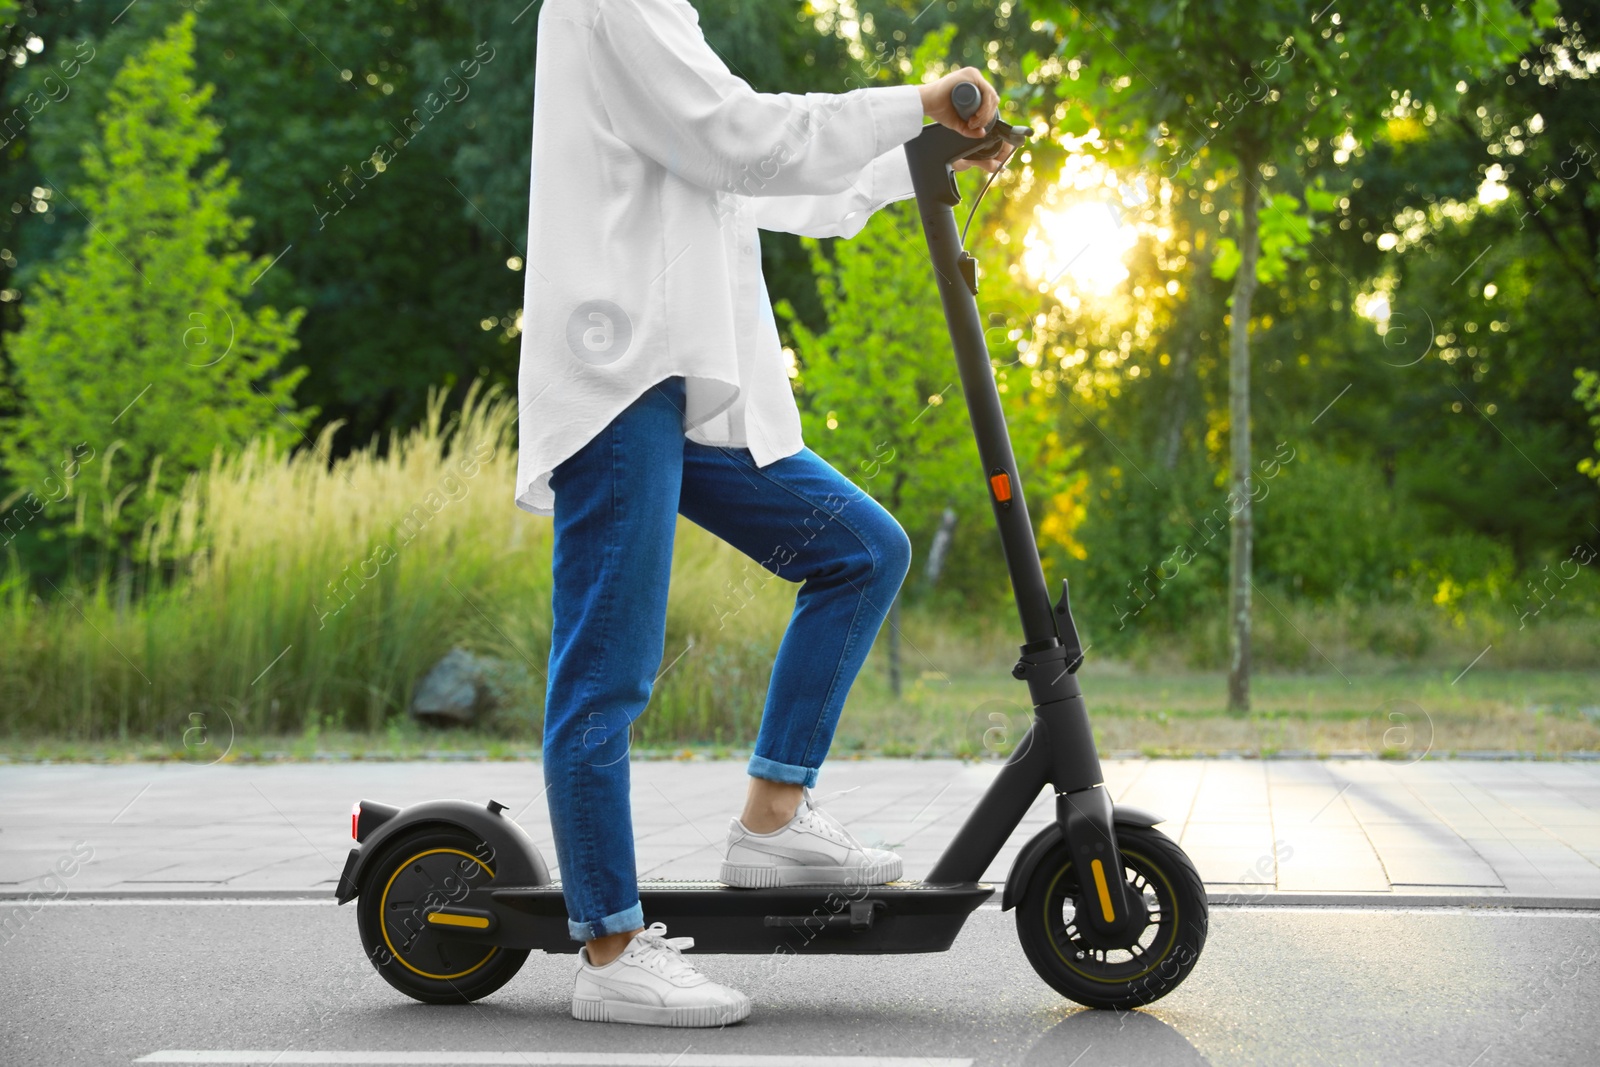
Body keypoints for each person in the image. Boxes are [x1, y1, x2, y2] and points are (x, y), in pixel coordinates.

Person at [514, 0, 1011, 1028]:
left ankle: (772, 821)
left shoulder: (666, 19)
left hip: (687, 387)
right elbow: (740, 138)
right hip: (620, 378)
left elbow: (771, 186)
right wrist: (914, 99)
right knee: (606, 669)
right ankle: (609, 948)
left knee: (858, 550)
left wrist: (919, 156)